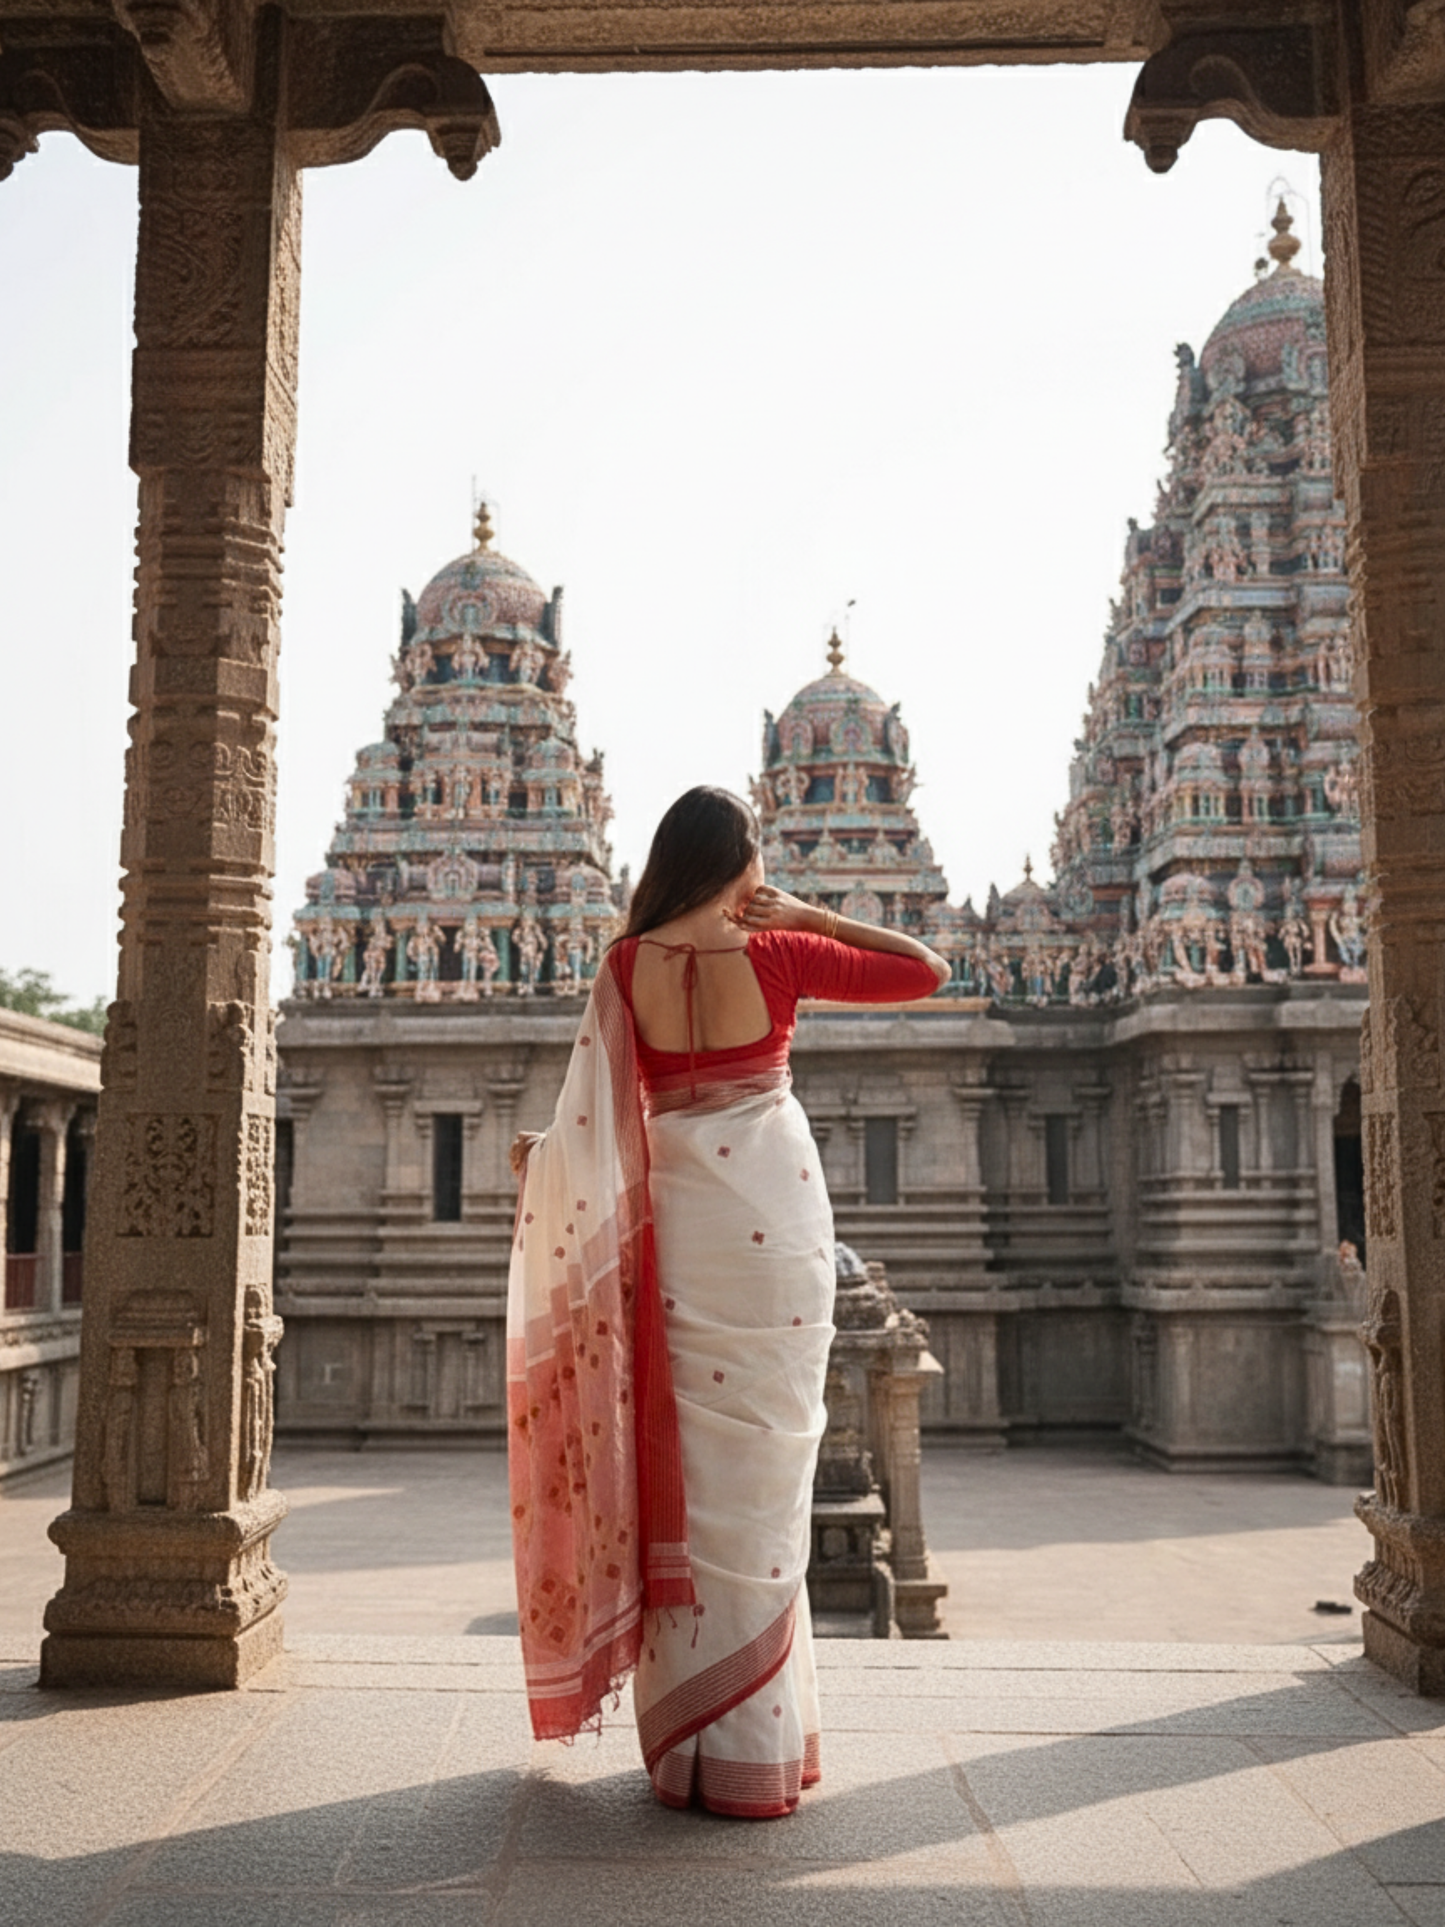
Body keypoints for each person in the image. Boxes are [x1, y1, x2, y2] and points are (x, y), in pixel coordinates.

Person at [506, 786, 946, 1819]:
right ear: (741, 864)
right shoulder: (779, 955)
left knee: (690, 1485)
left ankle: (688, 1757)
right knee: (764, 1485)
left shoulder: (625, 965)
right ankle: (756, 1751)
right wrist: (812, 917)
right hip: (775, 1229)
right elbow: (923, 972)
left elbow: (589, 1120)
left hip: (681, 1232)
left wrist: (546, 1163)